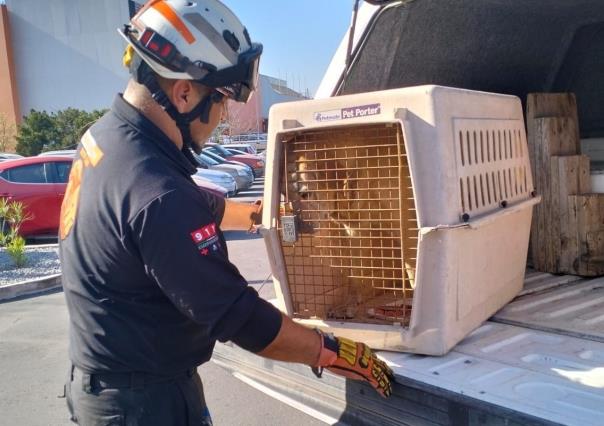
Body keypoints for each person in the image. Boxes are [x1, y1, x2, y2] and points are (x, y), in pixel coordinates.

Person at [60, 1, 394, 424]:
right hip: (145, 406)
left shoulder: (109, 141)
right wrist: (330, 350)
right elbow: (239, 317)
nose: (221, 118)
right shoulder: (156, 195)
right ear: (183, 92)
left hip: (111, 386)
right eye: (221, 100)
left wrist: (260, 215)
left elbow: (193, 205)